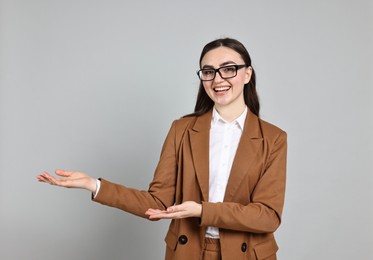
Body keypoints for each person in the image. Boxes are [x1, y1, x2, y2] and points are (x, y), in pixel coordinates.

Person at [37, 38, 287, 260]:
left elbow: (267, 217)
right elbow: (157, 201)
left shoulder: (273, 138)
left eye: (229, 69)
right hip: (189, 251)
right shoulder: (182, 130)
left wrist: (202, 210)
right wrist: (95, 185)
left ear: (247, 74)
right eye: (208, 72)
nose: (218, 79)